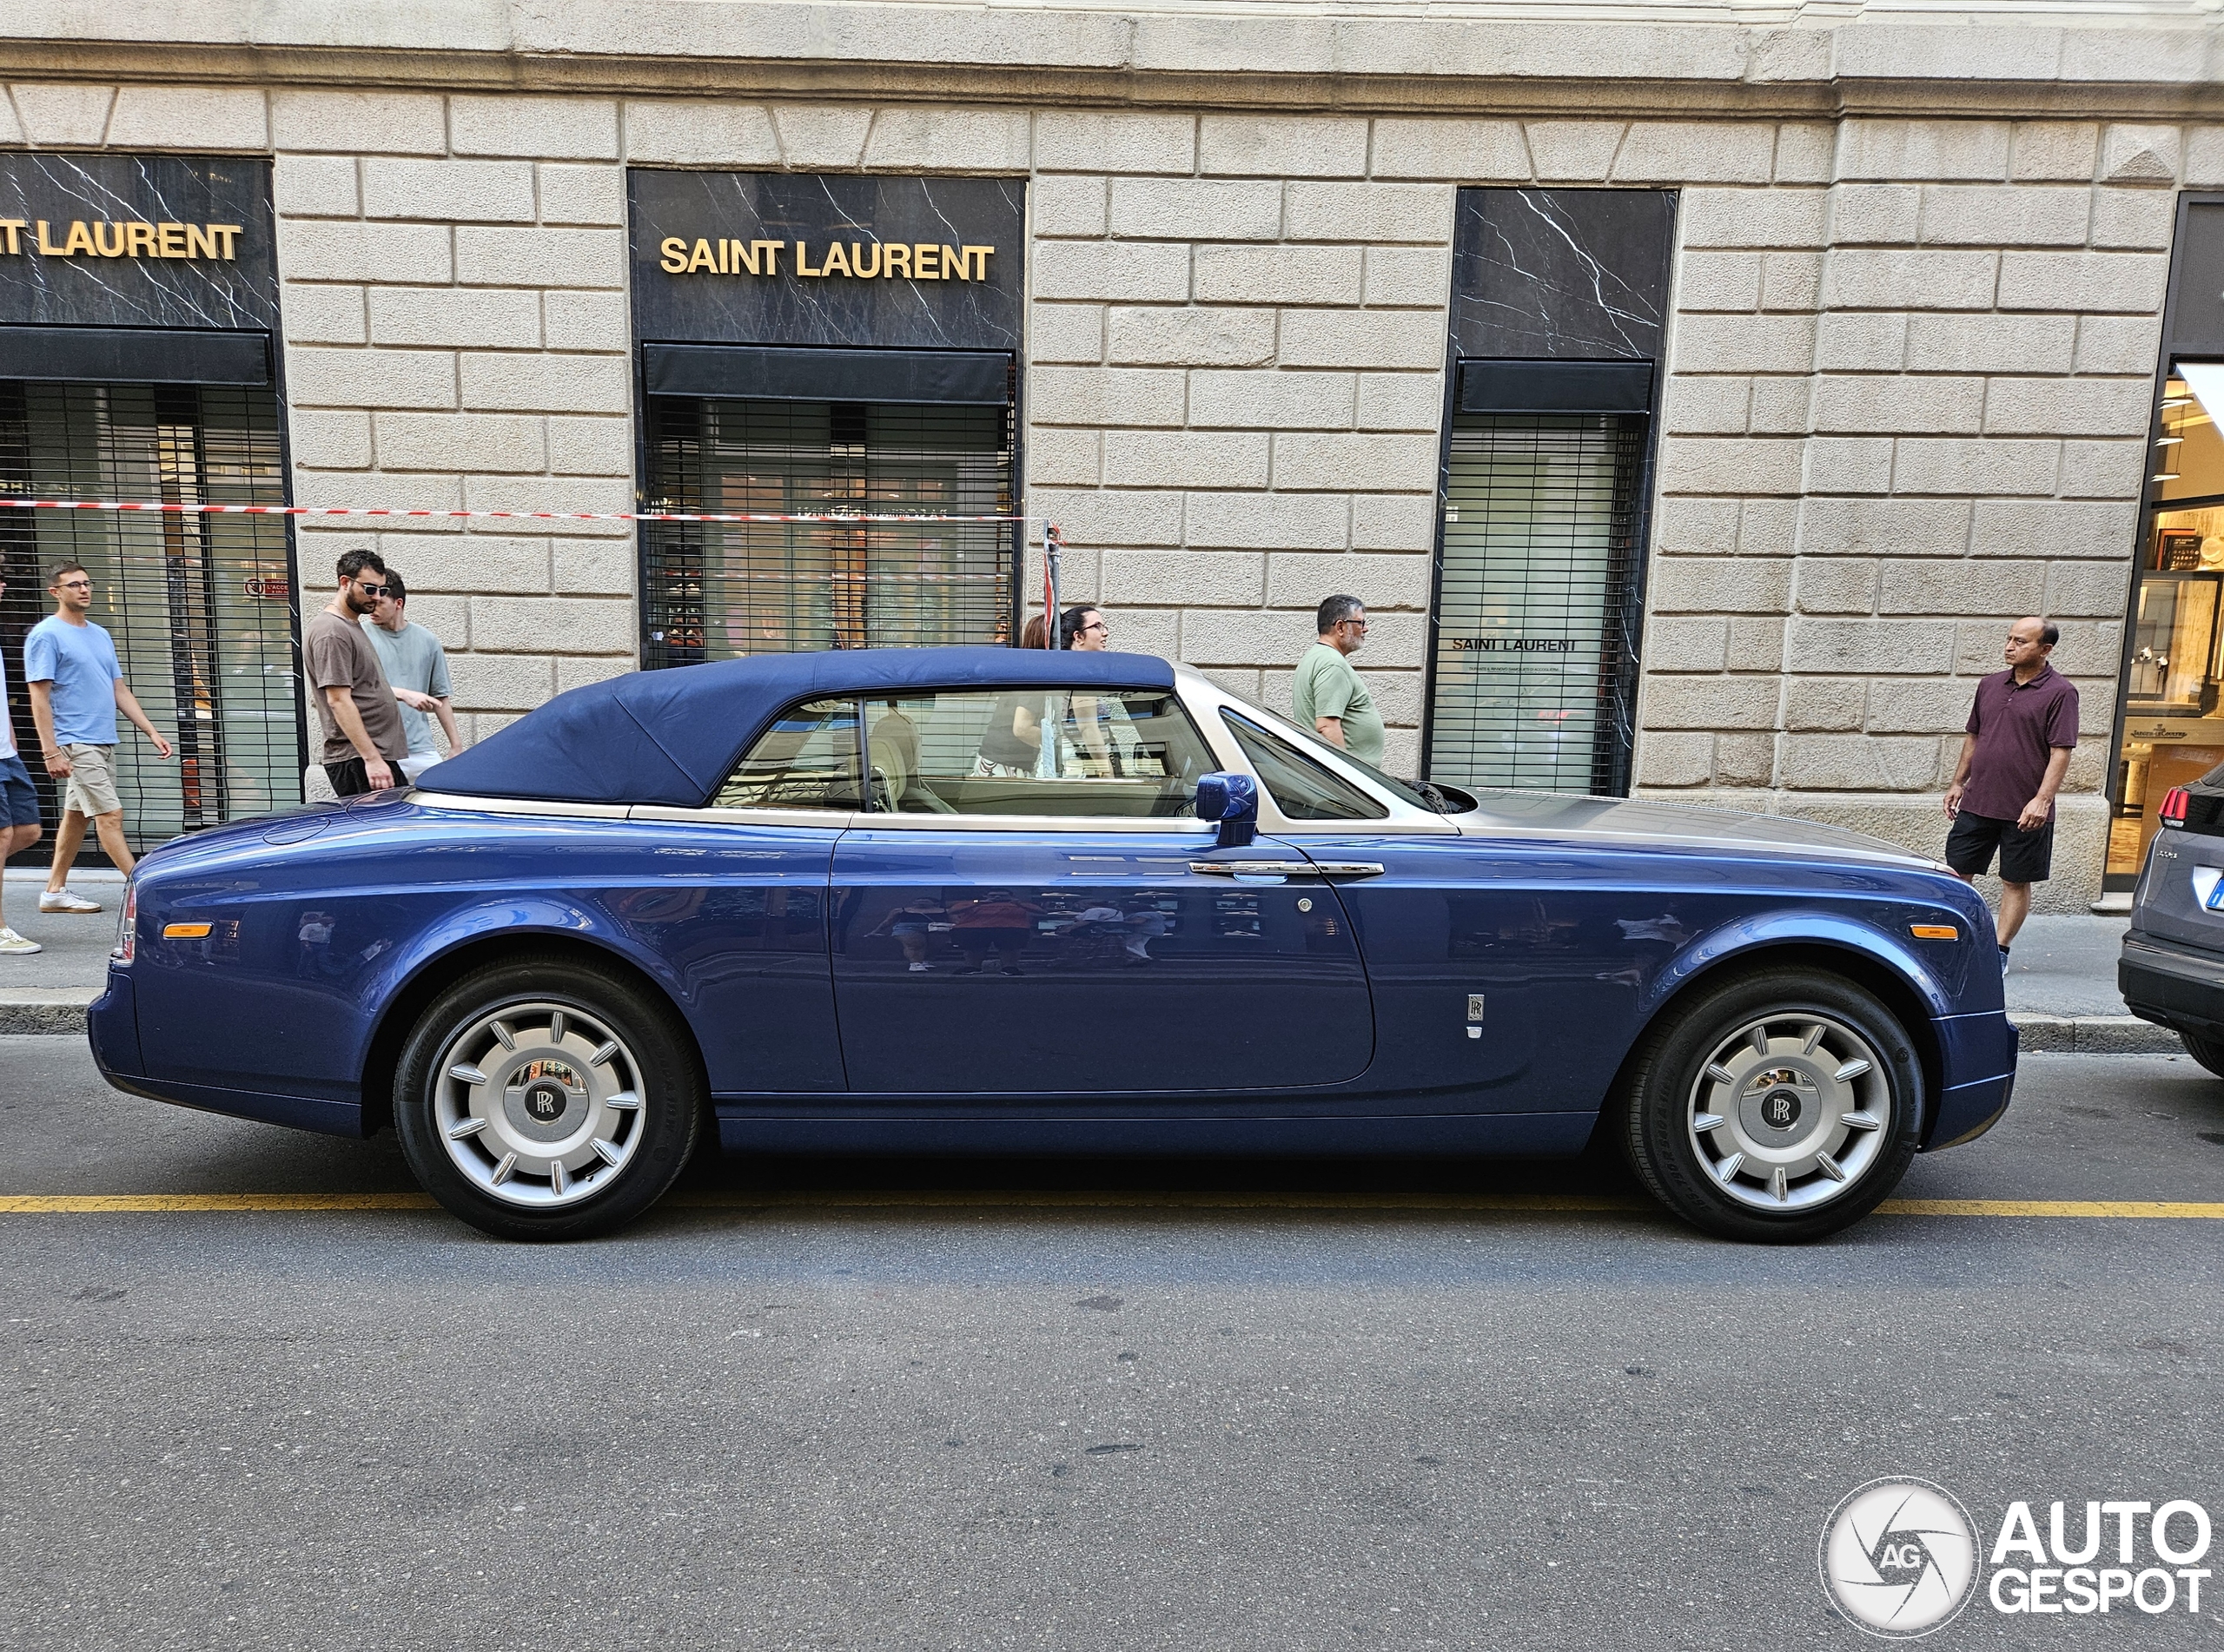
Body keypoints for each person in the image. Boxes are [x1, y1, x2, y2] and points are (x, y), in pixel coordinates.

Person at [26, 560, 172, 915]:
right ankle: (146, 893)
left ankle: (54, 892)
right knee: (111, 815)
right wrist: (50, 751)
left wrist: (151, 730)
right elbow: (39, 696)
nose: (84, 589)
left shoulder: (99, 634)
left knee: (77, 816)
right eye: (74, 584)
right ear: (55, 592)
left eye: (87, 583)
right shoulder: (46, 635)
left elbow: (117, 689)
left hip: (103, 739)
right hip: (74, 742)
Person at [1943, 617, 2078, 972]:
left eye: (2021, 641)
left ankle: (1998, 951)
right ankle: (1956, 942)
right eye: (2009, 639)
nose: (2010, 646)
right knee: (1957, 875)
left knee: (2015, 881)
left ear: (2045, 649)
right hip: (1979, 800)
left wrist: (2042, 799)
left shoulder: (2061, 692)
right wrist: (1959, 782)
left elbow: (2061, 750)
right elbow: (1973, 736)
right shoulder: (1989, 685)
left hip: (2026, 808)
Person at [305, 549, 410, 798]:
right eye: (370, 589)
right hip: (358, 759)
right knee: (381, 833)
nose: (376, 597)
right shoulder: (331, 631)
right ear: (345, 582)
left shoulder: (350, 625)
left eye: (383, 591)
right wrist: (371, 759)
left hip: (371, 756)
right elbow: (338, 700)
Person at [363, 571, 463, 783]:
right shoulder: (359, 637)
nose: (372, 609)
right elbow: (358, 692)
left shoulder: (428, 641)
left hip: (421, 750)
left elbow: (440, 697)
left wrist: (456, 746)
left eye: (380, 603)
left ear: (398, 603)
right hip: (380, 751)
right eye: (370, 603)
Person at [0, 565, 45, 953]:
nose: (2, 585)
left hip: (6, 752)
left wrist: (11, 739)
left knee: (28, 831)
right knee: (1, 837)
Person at [1293, 594, 1385, 766]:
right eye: (1361, 623)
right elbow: (1327, 727)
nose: (1366, 629)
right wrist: (1346, 778)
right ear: (1340, 627)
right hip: (1343, 781)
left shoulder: (1318, 657)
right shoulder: (1332, 664)